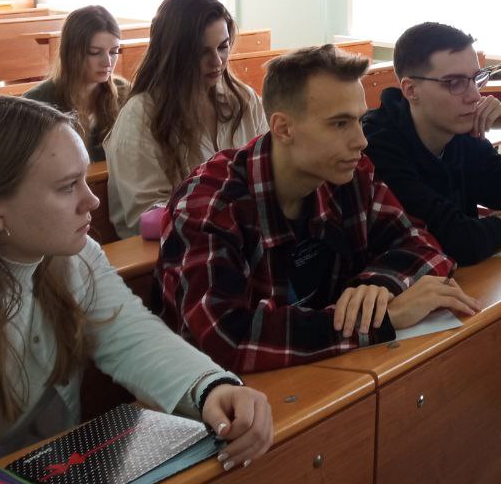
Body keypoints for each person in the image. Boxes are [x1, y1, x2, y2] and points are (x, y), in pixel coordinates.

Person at [0, 97, 273, 484]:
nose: (91, 200)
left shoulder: (70, 254)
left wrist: (210, 386)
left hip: (44, 479)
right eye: (68, 186)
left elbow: (131, 333)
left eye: (85, 178)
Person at [155, 44, 480, 372]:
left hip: (323, 375)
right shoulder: (210, 203)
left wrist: (379, 284)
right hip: (224, 402)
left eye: (360, 121)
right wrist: (381, 319)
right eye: (340, 124)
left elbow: (421, 244)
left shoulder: (351, 174)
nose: (361, 141)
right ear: (284, 128)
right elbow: (224, 340)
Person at [362, 21, 501, 265]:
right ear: (410, 90)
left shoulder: (461, 136)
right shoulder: (378, 145)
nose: (474, 96)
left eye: (475, 79)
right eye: (455, 83)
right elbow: (456, 242)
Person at [105, 0, 263, 238]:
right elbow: (146, 218)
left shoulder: (243, 100)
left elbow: (266, 172)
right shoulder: (141, 116)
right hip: (172, 255)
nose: (218, 61)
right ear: (174, 54)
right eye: (202, 52)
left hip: (242, 239)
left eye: (223, 47)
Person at [24, 5, 129, 162]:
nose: (107, 62)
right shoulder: (37, 103)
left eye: (114, 52)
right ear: (71, 52)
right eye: (94, 52)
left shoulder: (124, 91)